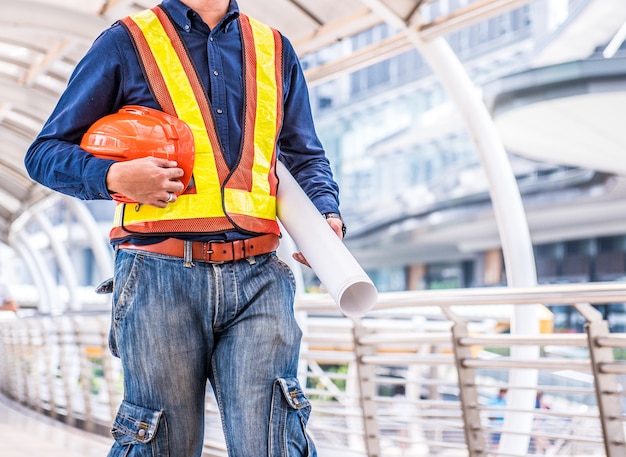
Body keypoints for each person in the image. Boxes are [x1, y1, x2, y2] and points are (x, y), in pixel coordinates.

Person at [24, 1, 344, 456]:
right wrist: (114, 177)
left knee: (273, 443)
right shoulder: (127, 41)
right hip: (158, 277)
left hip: (260, 277)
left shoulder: (274, 47)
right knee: (160, 445)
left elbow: (304, 154)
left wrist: (326, 214)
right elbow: (44, 154)